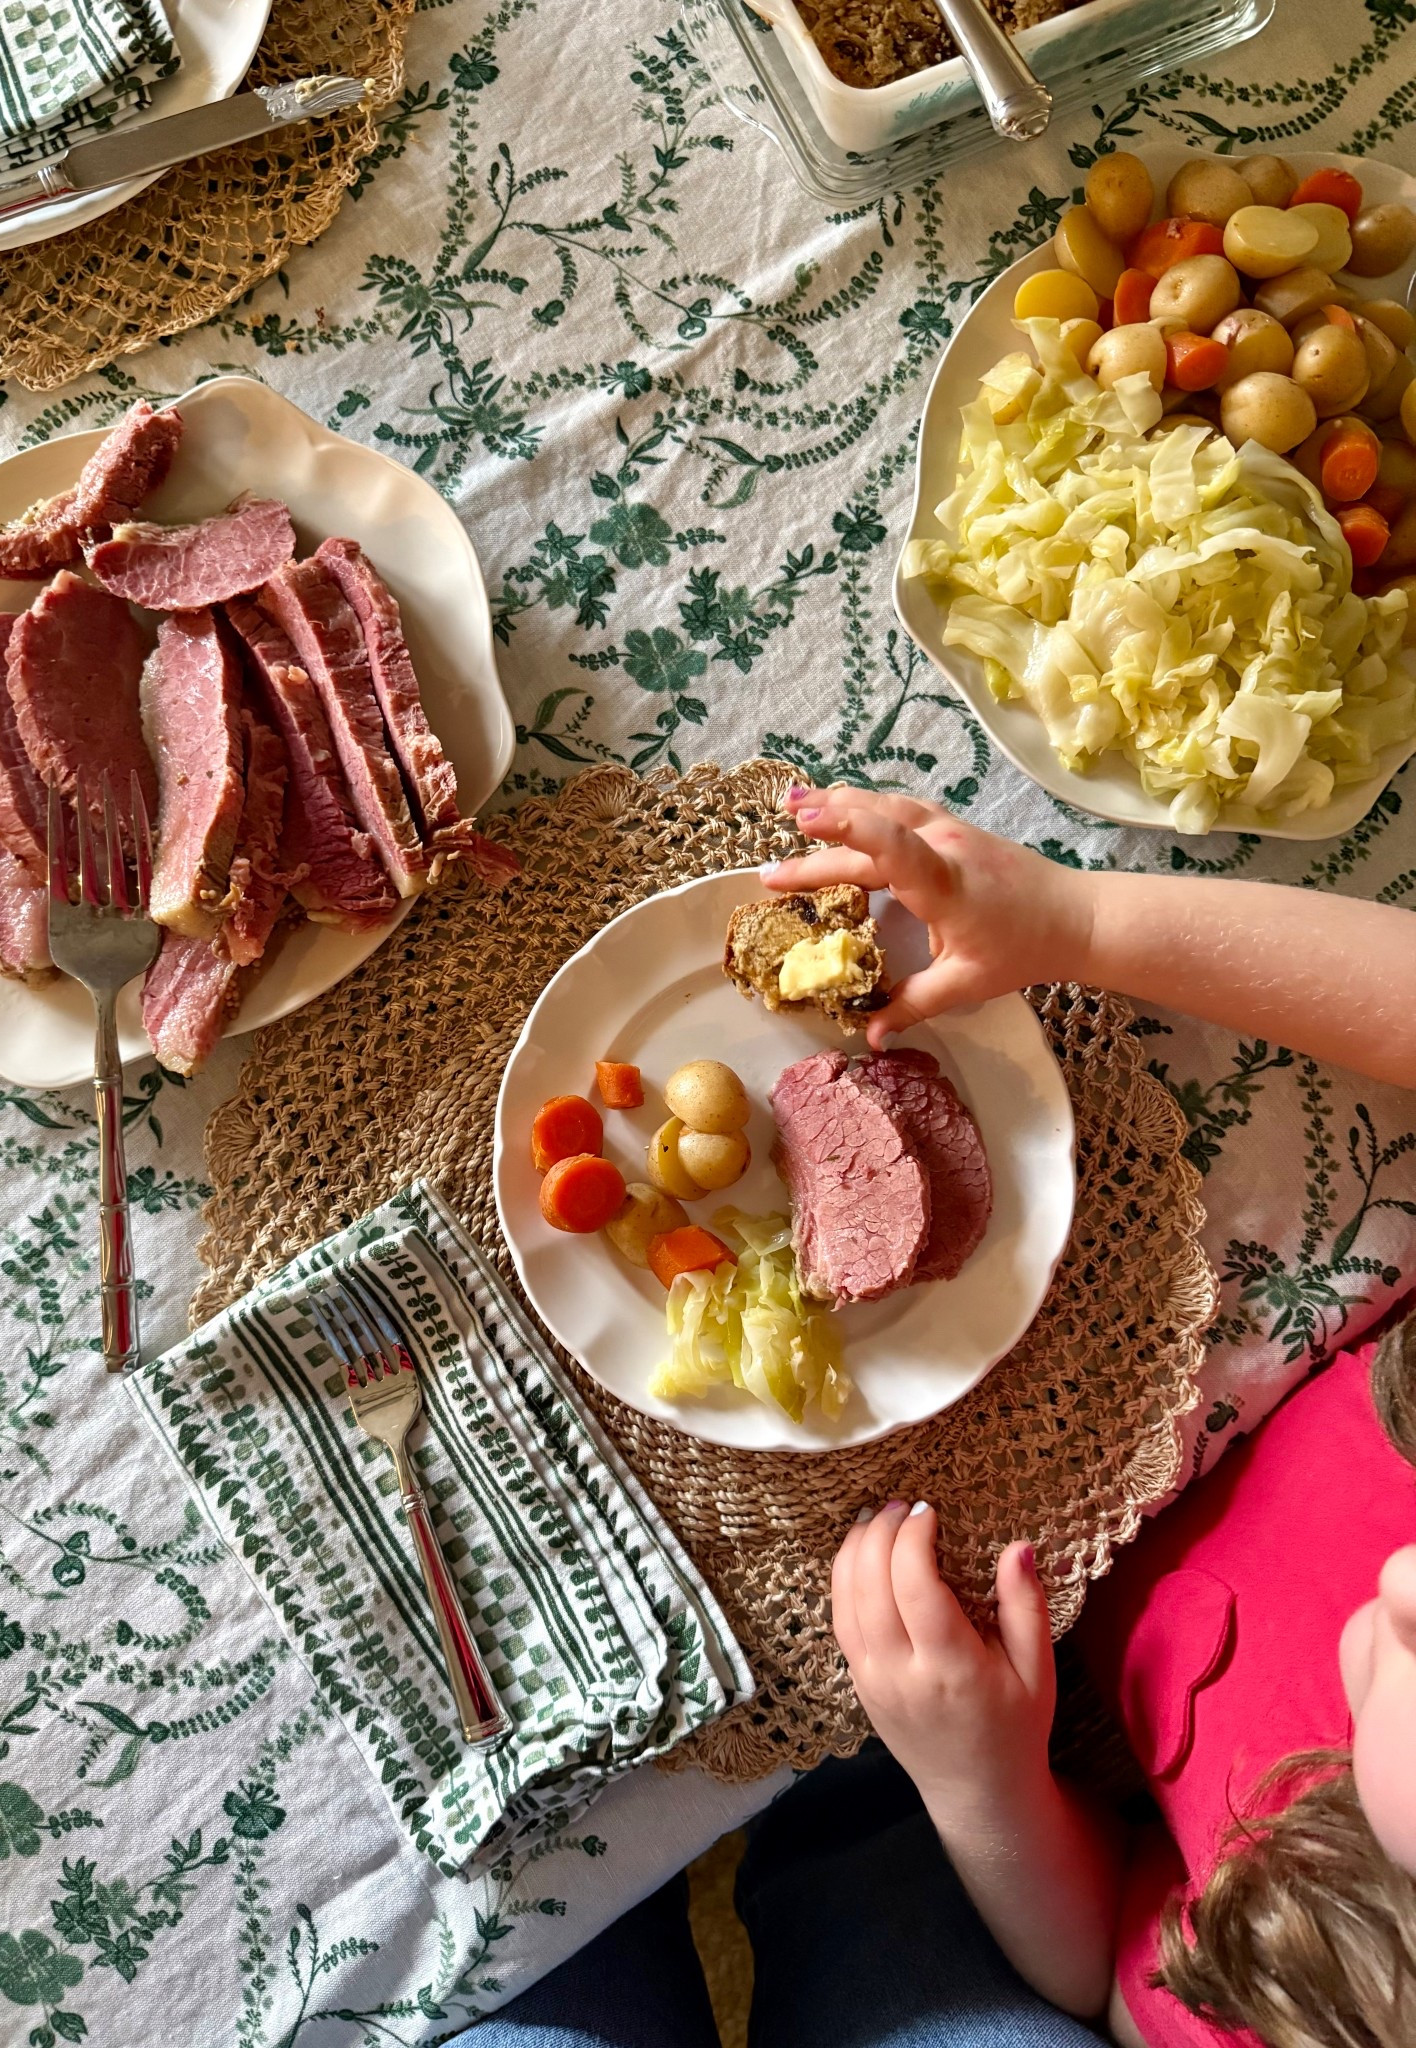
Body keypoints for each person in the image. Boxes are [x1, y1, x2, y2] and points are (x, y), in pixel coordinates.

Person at [466, 787, 1416, 2048]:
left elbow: (1119, 1957)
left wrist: (985, 1784)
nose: (1403, 1581)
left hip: (1009, 1655)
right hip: (1230, 1364)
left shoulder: (1322, 2001)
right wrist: (1082, 916)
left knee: (548, 1912)